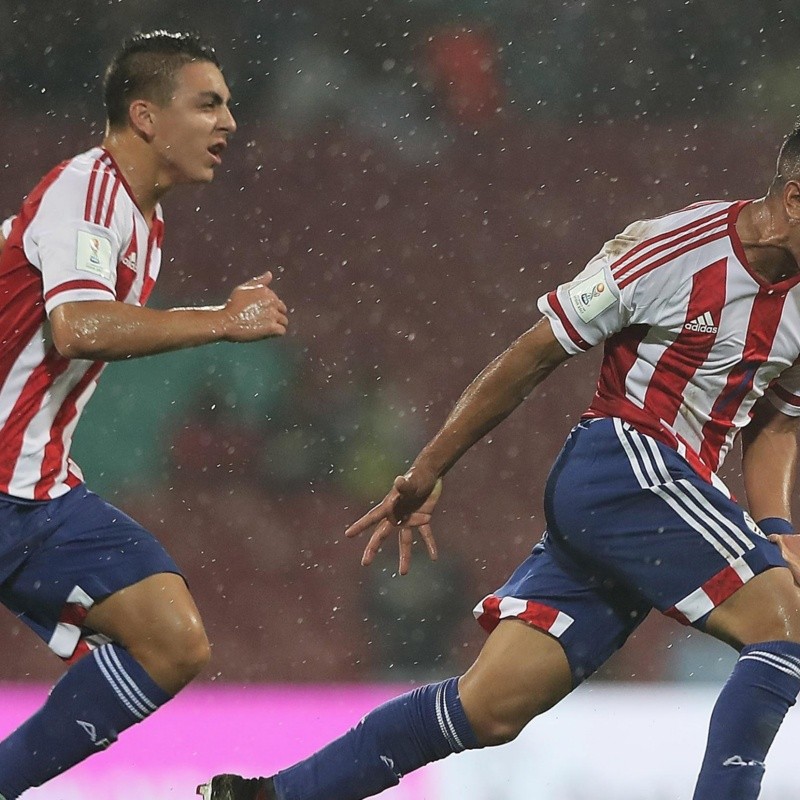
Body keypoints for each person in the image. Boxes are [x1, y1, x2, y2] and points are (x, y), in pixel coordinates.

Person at [200, 125, 800, 800]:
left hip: (653, 502)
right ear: (795, 199)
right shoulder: (674, 251)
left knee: (488, 708)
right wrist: (430, 466)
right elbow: (531, 355)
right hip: (627, 465)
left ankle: (272, 796)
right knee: (788, 623)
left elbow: (778, 411)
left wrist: (778, 522)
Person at [0, 30, 288, 799]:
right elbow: (80, 326)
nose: (229, 121)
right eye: (208, 103)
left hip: (35, 490)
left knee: (172, 641)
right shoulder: (87, 190)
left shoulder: (143, 221)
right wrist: (221, 321)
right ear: (146, 116)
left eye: (228, 104)